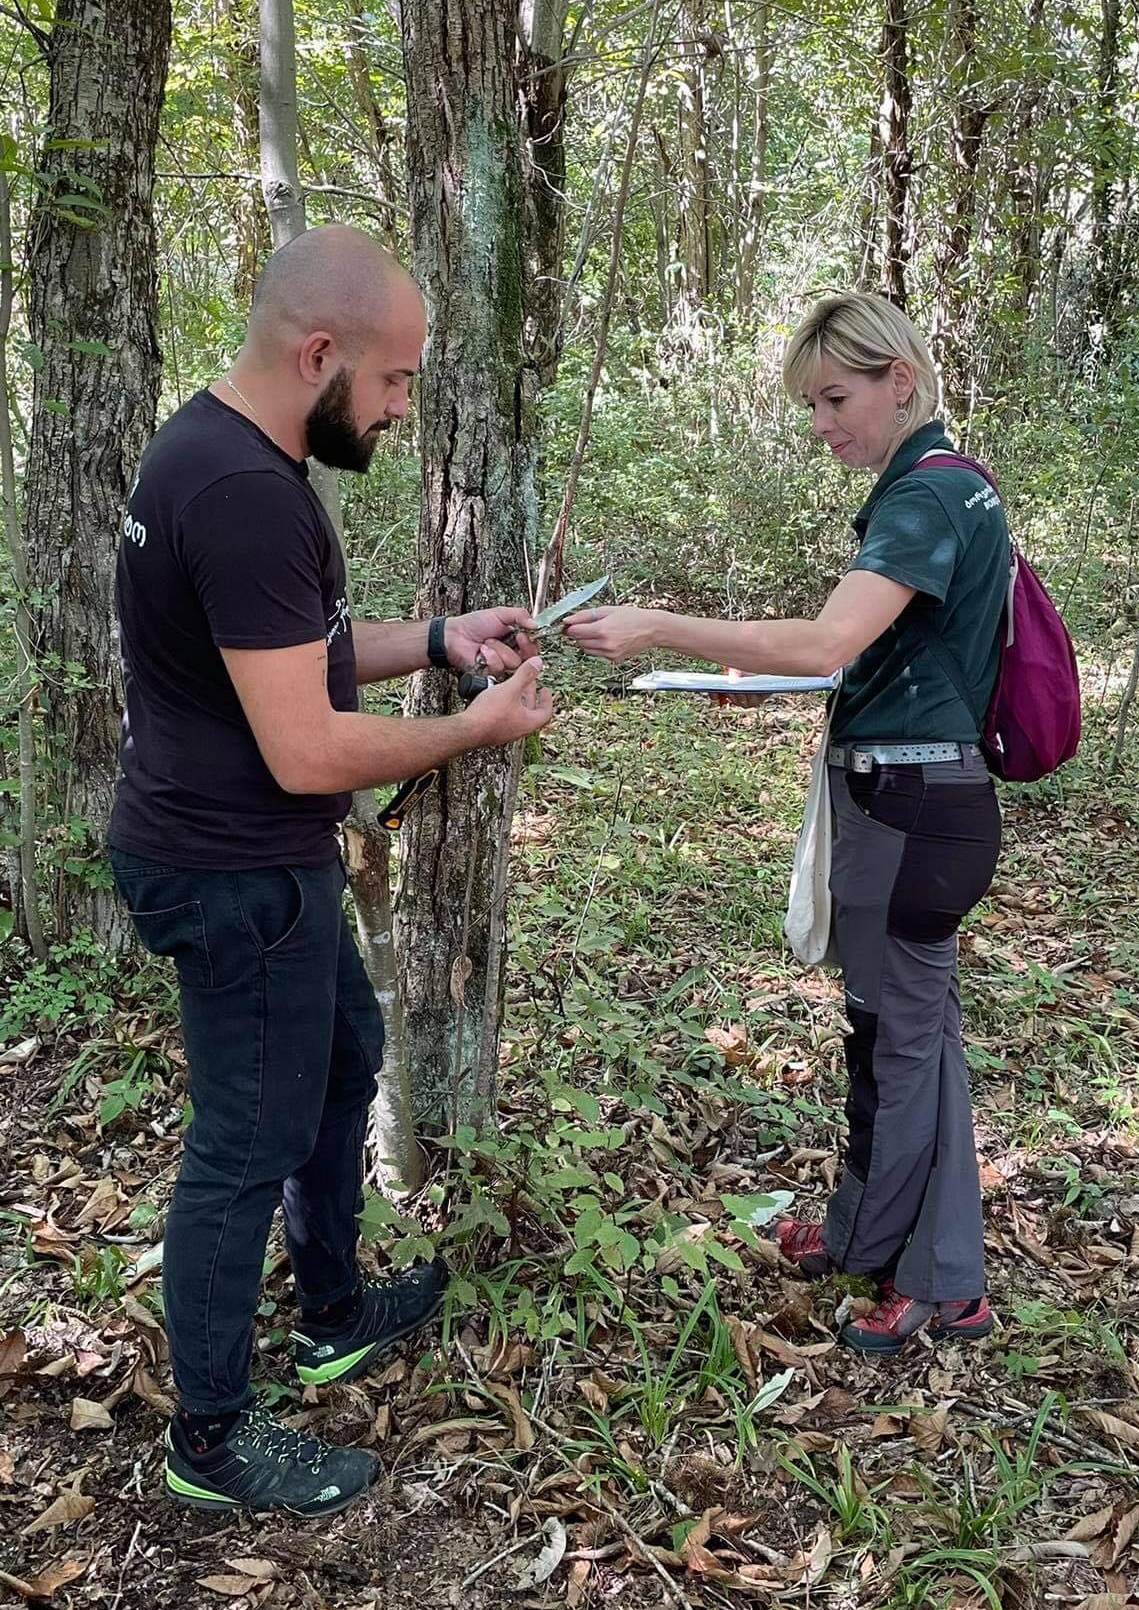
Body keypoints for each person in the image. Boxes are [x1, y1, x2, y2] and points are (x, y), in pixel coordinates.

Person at [109, 225, 553, 1514]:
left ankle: (334, 1303)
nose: (405, 407)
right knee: (242, 1142)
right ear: (319, 354)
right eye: (395, 380)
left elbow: (286, 650)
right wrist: (473, 724)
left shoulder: (217, 448)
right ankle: (210, 1436)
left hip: (251, 857)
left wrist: (435, 639)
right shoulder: (245, 494)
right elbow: (303, 744)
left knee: (344, 1060)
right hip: (236, 870)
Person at [565, 292, 1008, 1356]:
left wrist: (659, 623)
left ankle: (928, 1278)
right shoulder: (946, 489)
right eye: (812, 402)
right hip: (917, 798)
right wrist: (745, 673)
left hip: (909, 812)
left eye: (834, 397)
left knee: (898, 1045)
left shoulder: (925, 497)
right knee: (909, 1035)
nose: (821, 424)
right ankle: (893, 1242)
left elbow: (825, 641)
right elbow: (877, 656)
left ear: (900, 379)